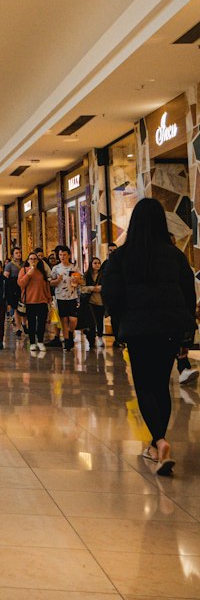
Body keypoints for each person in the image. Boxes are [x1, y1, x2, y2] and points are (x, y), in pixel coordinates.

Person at [102, 197, 197, 476]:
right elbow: (188, 294)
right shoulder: (175, 256)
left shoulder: (121, 256)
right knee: (161, 386)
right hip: (169, 329)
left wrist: (120, 323)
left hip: (139, 329)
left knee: (144, 387)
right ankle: (157, 443)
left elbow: (112, 294)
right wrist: (186, 332)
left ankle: (159, 440)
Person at [18, 250, 51, 354]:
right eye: (31, 259)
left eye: (35, 259)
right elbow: (21, 284)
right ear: (28, 261)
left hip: (42, 300)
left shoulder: (41, 271)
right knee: (31, 323)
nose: (33, 260)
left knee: (41, 323)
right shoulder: (24, 270)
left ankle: (40, 341)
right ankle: (32, 342)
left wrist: (49, 298)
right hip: (29, 301)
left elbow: (46, 286)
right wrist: (28, 274)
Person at [50, 246, 81, 351]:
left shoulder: (74, 268)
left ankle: (71, 332)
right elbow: (51, 282)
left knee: (73, 319)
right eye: (60, 255)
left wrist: (77, 280)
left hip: (72, 296)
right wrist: (57, 280)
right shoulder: (56, 268)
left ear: (68, 255)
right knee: (64, 319)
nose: (62, 257)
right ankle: (67, 339)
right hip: (60, 296)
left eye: (64, 254)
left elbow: (81, 281)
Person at [79, 256, 105, 351]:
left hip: (101, 302)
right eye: (95, 263)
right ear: (91, 264)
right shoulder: (86, 276)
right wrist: (92, 288)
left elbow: (107, 285)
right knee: (91, 322)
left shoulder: (103, 275)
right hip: (90, 302)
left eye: (98, 263)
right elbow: (82, 288)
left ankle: (100, 337)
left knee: (99, 320)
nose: (97, 265)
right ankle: (91, 340)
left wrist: (101, 288)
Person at [99, 241, 122, 346]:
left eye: (114, 250)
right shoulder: (105, 264)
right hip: (111, 296)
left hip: (121, 295)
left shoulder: (122, 263)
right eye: (110, 250)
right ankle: (117, 338)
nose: (112, 252)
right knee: (114, 317)